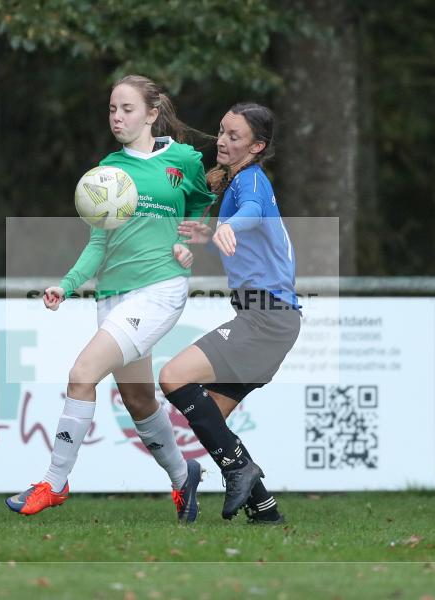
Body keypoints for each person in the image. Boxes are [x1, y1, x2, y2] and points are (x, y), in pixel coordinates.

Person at [6, 75, 216, 523]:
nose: (117, 118)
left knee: (82, 374)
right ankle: (184, 479)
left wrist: (190, 241)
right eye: (111, 109)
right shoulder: (107, 168)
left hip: (161, 289)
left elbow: (201, 203)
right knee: (139, 401)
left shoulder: (183, 159)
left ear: (152, 114)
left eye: (127, 109)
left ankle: (53, 483)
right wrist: (67, 283)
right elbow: (99, 243)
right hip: (113, 295)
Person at [160, 103, 300, 523]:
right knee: (213, 421)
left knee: (172, 377)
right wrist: (211, 232)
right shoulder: (239, 182)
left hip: (266, 318)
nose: (222, 141)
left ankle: (239, 469)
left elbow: (253, 215)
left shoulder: (251, 181)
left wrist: (227, 226)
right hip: (271, 318)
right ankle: (264, 509)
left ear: (257, 146)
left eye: (234, 136)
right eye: (221, 131)